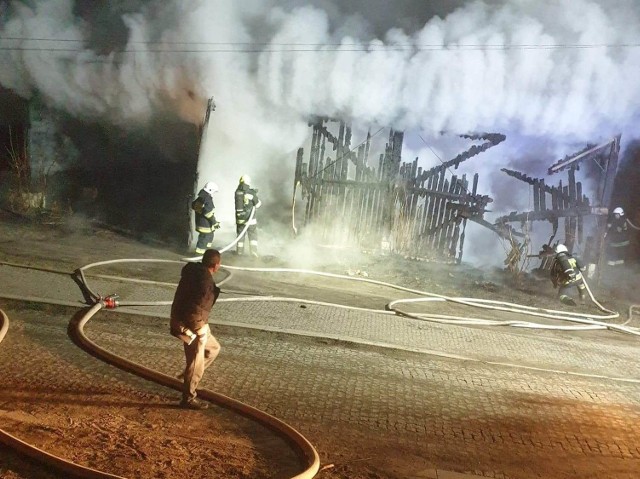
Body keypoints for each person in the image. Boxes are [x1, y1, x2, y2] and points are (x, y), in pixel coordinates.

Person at [169, 249, 222, 409]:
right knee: (196, 361)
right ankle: (189, 398)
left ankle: (189, 379)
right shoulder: (204, 283)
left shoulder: (193, 272)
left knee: (213, 349)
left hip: (187, 320)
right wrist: (199, 329)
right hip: (191, 326)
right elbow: (194, 309)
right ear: (216, 265)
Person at [234, 174, 262, 256]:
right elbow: (258, 205)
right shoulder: (251, 193)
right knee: (252, 235)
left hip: (240, 219)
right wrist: (254, 196)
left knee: (240, 236)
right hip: (250, 219)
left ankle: (239, 252)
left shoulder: (237, 192)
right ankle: (253, 251)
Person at [193, 181, 220, 255]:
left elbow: (193, 205)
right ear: (210, 190)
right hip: (205, 225)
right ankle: (198, 255)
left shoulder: (200, 198)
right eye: (213, 191)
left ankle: (206, 253)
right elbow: (208, 213)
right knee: (204, 239)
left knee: (209, 236)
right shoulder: (207, 199)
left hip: (201, 223)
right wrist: (214, 223)